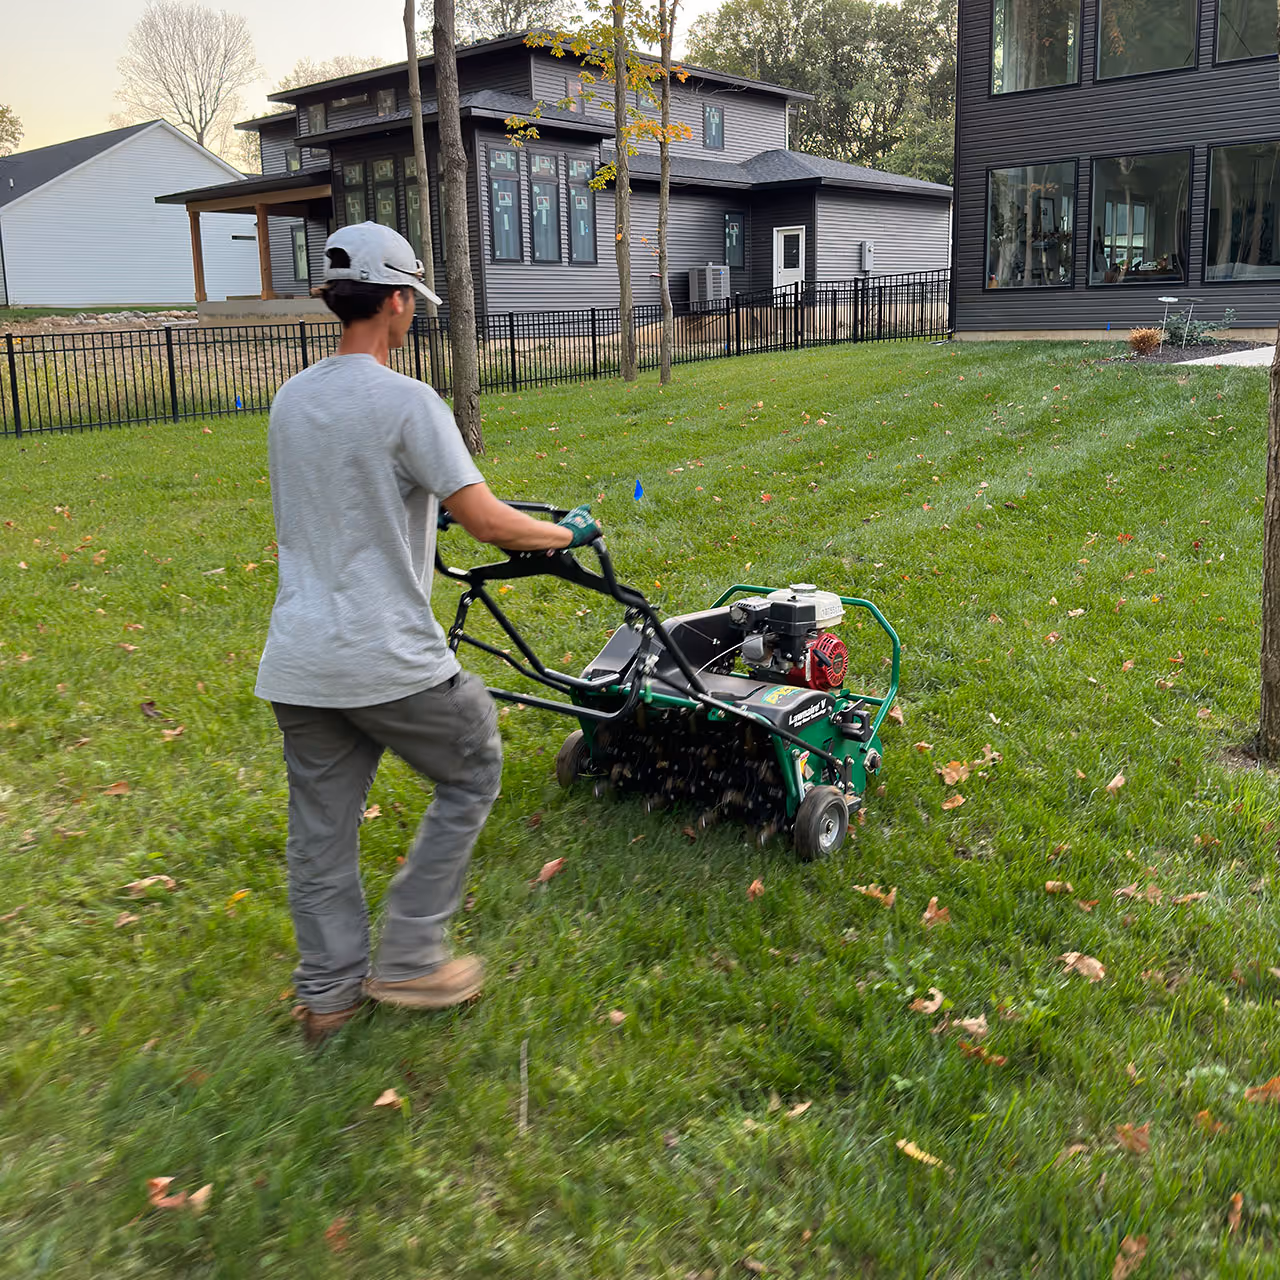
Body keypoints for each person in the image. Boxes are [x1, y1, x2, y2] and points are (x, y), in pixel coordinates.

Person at [254, 222, 600, 1047]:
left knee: (321, 838)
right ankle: (410, 953)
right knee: (475, 761)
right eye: (415, 302)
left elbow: (339, 499)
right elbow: (484, 521)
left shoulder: (292, 399)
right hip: (387, 659)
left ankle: (328, 999)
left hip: (299, 662)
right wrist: (569, 534)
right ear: (399, 301)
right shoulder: (409, 401)